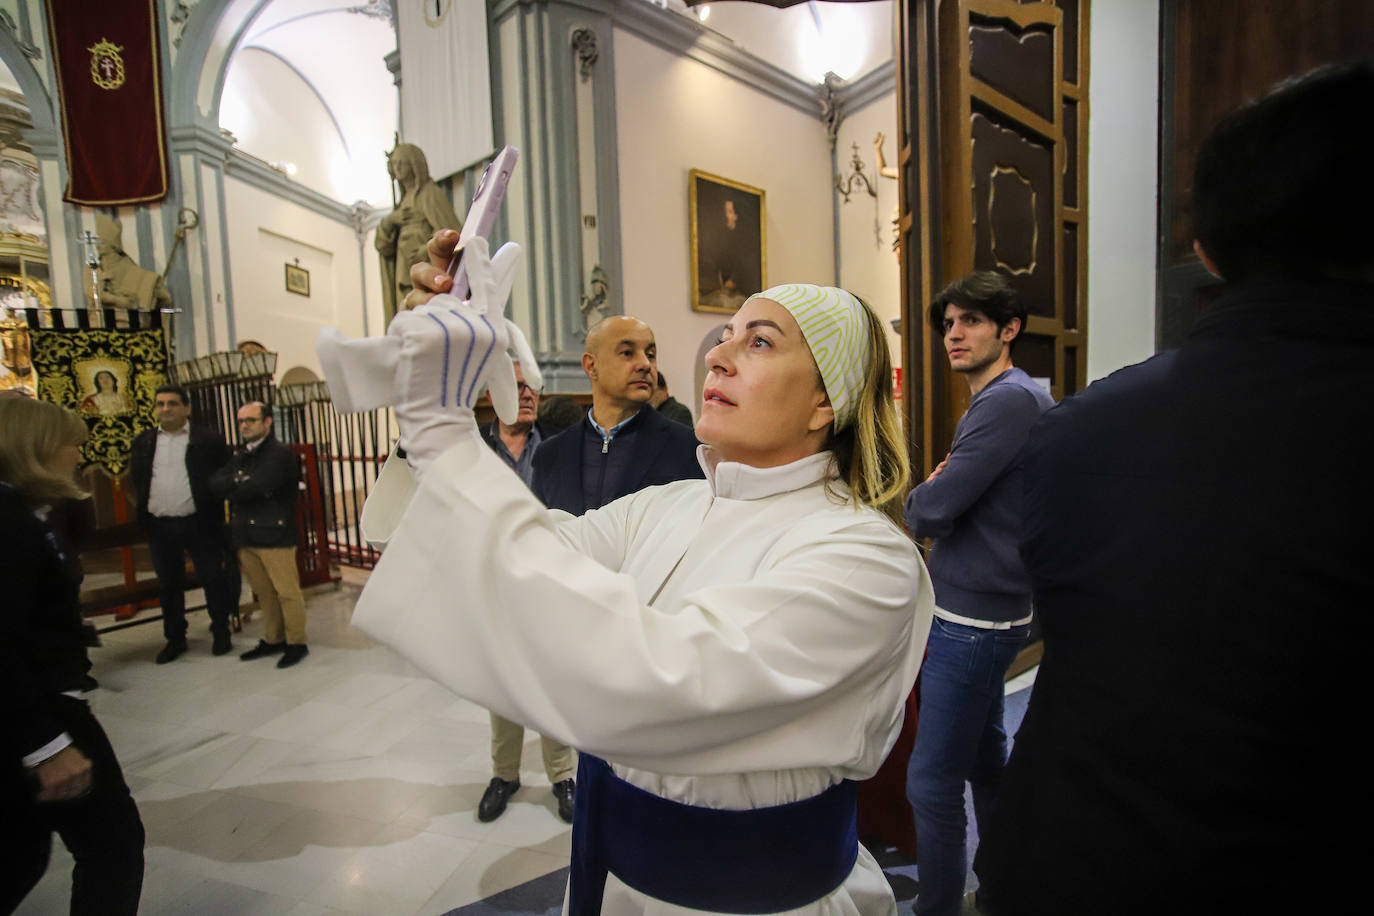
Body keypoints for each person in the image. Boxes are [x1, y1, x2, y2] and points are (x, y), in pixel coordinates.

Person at [323, 229, 934, 915]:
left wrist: (446, 437)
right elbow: (534, 559)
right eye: (725, 335)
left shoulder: (867, 558)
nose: (718, 355)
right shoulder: (670, 504)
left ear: (828, 400)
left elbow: (658, 679)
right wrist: (424, 435)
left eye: (758, 341)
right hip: (614, 881)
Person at [973, 62, 1374, 916]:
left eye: (968, 321)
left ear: (1206, 251)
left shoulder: (1068, 421)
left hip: (1068, 861)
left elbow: (953, 515)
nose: (952, 336)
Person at [901, 271, 1054, 916]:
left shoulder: (1007, 401)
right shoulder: (1013, 397)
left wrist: (926, 494)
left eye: (971, 322)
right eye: (948, 324)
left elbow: (932, 509)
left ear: (1009, 329)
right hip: (986, 608)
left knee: (932, 782)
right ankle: (1004, 886)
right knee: (987, 759)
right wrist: (939, 492)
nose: (954, 335)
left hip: (972, 618)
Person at [0, 396, 145, 915]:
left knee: (21, 855)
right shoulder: (8, 525)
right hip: (42, 715)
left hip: (40, 708)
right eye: (71, 443)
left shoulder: (25, 514)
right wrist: (46, 747)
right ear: (34, 450)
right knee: (113, 845)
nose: (79, 455)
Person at [477, 362, 576, 823]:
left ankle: (562, 776)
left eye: (532, 387)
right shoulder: (474, 449)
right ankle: (505, 774)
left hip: (546, 582)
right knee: (503, 685)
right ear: (492, 392)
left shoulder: (556, 448)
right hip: (492, 582)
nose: (529, 394)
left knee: (551, 682)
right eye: (516, 387)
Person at [531, 315, 702, 515]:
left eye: (651, 354)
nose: (645, 364)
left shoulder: (687, 448)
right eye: (627, 353)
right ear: (591, 366)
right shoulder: (551, 455)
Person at [130, 384, 239, 662]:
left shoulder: (208, 440)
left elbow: (225, 475)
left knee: (213, 578)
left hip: (199, 523)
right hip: (160, 524)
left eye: (172, 404)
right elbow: (137, 480)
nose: (165, 409)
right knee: (168, 584)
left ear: (187, 408)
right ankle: (175, 638)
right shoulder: (144, 442)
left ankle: (220, 631)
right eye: (160, 404)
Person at [210, 402, 309, 668]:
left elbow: (257, 486)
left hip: (275, 533)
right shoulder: (242, 455)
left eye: (251, 420)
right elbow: (216, 483)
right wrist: (239, 483)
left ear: (267, 422)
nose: (244, 426)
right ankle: (274, 639)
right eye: (241, 421)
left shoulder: (279, 454)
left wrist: (238, 484)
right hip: (246, 534)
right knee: (264, 592)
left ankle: (296, 642)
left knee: (287, 592)